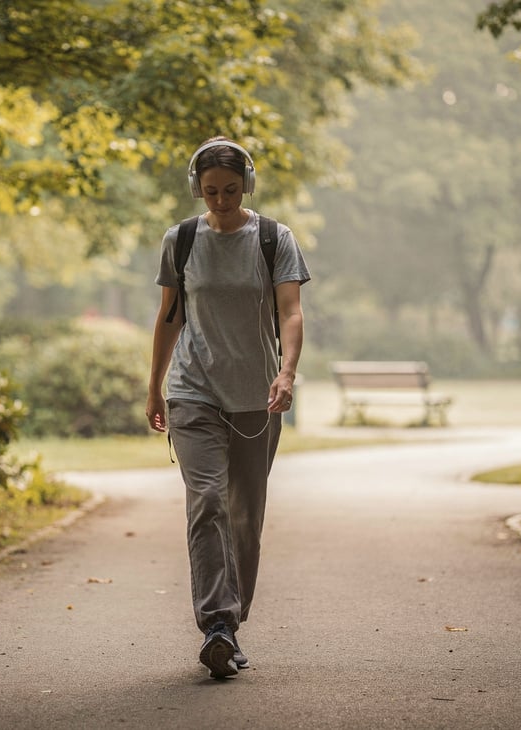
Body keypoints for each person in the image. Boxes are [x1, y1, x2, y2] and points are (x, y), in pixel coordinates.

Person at [146, 136, 310, 679]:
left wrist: (286, 373)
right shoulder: (182, 240)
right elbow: (169, 317)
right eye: (210, 190)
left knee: (244, 515)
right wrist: (155, 386)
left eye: (231, 190)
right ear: (197, 187)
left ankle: (232, 624)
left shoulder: (273, 238)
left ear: (248, 186)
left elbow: (291, 312)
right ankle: (216, 624)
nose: (219, 200)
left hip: (256, 398)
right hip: (193, 391)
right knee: (209, 499)